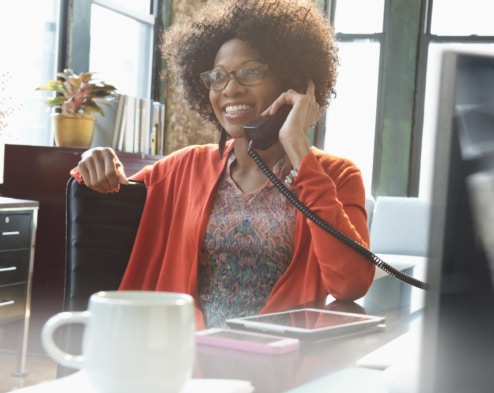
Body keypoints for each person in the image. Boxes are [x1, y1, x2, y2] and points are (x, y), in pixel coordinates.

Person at [71, 0, 375, 329]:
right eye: (218, 76)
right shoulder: (184, 168)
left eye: (250, 72)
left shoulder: (336, 176)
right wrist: (93, 159)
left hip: (279, 363)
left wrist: (299, 149)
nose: (230, 88)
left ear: (292, 82)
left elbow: (351, 284)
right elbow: (109, 187)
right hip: (180, 359)